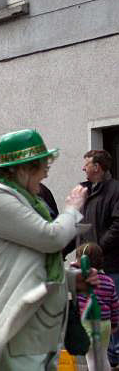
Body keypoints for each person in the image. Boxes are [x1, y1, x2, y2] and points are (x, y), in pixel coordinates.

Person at [0, 129, 99, 370]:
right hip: (16, 330)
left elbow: (32, 262)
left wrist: (72, 280)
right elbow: (51, 238)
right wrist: (72, 209)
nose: (45, 174)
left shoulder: (25, 199)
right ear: (23, 169)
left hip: (36, 333)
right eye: (42, 168)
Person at [80, 150, 119, 366]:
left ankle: (115, 358)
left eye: (86, 164)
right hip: (87, 263)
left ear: (98, 167)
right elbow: (79, 227)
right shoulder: (85, 192)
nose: (83, 168)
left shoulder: (115, 190)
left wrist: (97, 248)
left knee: (111, 311)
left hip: (110, 265)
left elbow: (118, 225)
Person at [75, 243, 119, 371]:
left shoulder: (82, 280)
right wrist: (115, 323)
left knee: (91, 358)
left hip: (88, 323)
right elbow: (115, 304)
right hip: (105, 324)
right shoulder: (108, 281)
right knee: (102, 355)